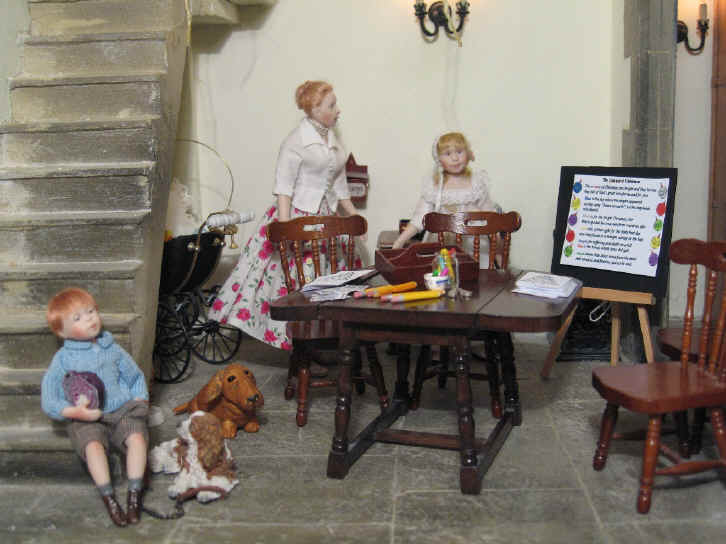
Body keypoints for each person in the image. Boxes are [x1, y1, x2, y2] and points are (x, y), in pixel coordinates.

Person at [208, 80, 364, 361]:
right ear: (315, 109)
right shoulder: (296, 141)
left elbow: (339, 183)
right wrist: (286, 226)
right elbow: (284, 187)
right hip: (298, 215)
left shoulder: (331, 140)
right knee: (295, 280)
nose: (338, 111)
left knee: (327, 278)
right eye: (331, 106)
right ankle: (298, 341)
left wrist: (352, 214)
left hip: (326, 219)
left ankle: (321, 337)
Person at [41, 288, 149, 527]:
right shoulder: (63, 360)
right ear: (61, 331)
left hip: (121, 409)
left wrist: (140, 398)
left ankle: (134, 493)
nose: (89, 318)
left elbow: (135, 375)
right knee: (93, 447)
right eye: (77, 318)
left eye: (91, 311)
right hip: (87, 416)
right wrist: (73, 412)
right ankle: (109, 497)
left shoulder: (112, 348)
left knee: (137, 439)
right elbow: (50, 399)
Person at [392, 132, 499, 267]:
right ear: (439, 159)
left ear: (468, 154)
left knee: (475, 273)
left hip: (473, 244)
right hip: (442, 244)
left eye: (459, 152)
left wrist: (498, 247)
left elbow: (491, 216)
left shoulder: (476, 183)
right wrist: (399, 242)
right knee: (440, 273)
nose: (455, 158)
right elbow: (419, 219)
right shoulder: (435, 186)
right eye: (448, 154)